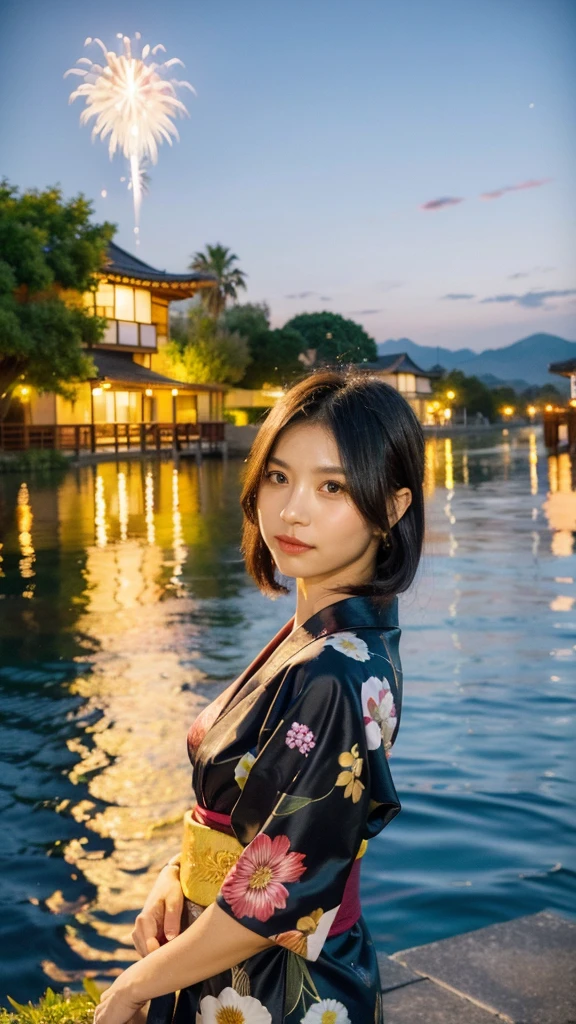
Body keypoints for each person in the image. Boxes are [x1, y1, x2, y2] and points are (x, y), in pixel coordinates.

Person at [94, 369, 425, 1024]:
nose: (291, 509)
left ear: (391, 506)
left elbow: (279, 894)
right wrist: (177, 876)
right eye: (278, 476)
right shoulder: (316, 639)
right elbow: (249, 819)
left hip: (276, 992)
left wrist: (135, 986)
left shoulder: (339, 671)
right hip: (228, 968)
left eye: (331, 485)